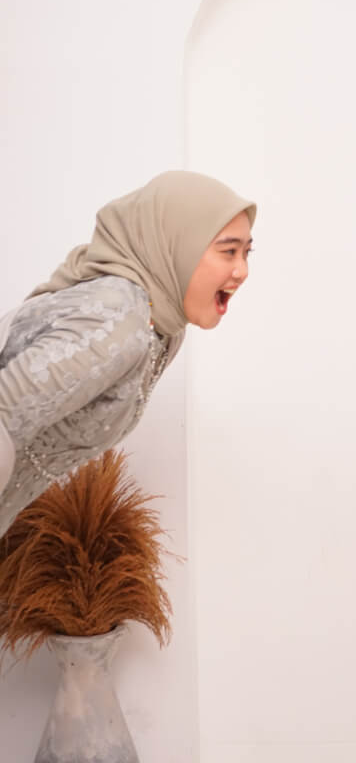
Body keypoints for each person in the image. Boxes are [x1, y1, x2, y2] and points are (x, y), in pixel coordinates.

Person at [0, 170, 256, 536]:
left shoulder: (164, 328)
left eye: (247, 252)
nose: (242, 270)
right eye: (228, 251)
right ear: (177, 243)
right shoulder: (120, 320)